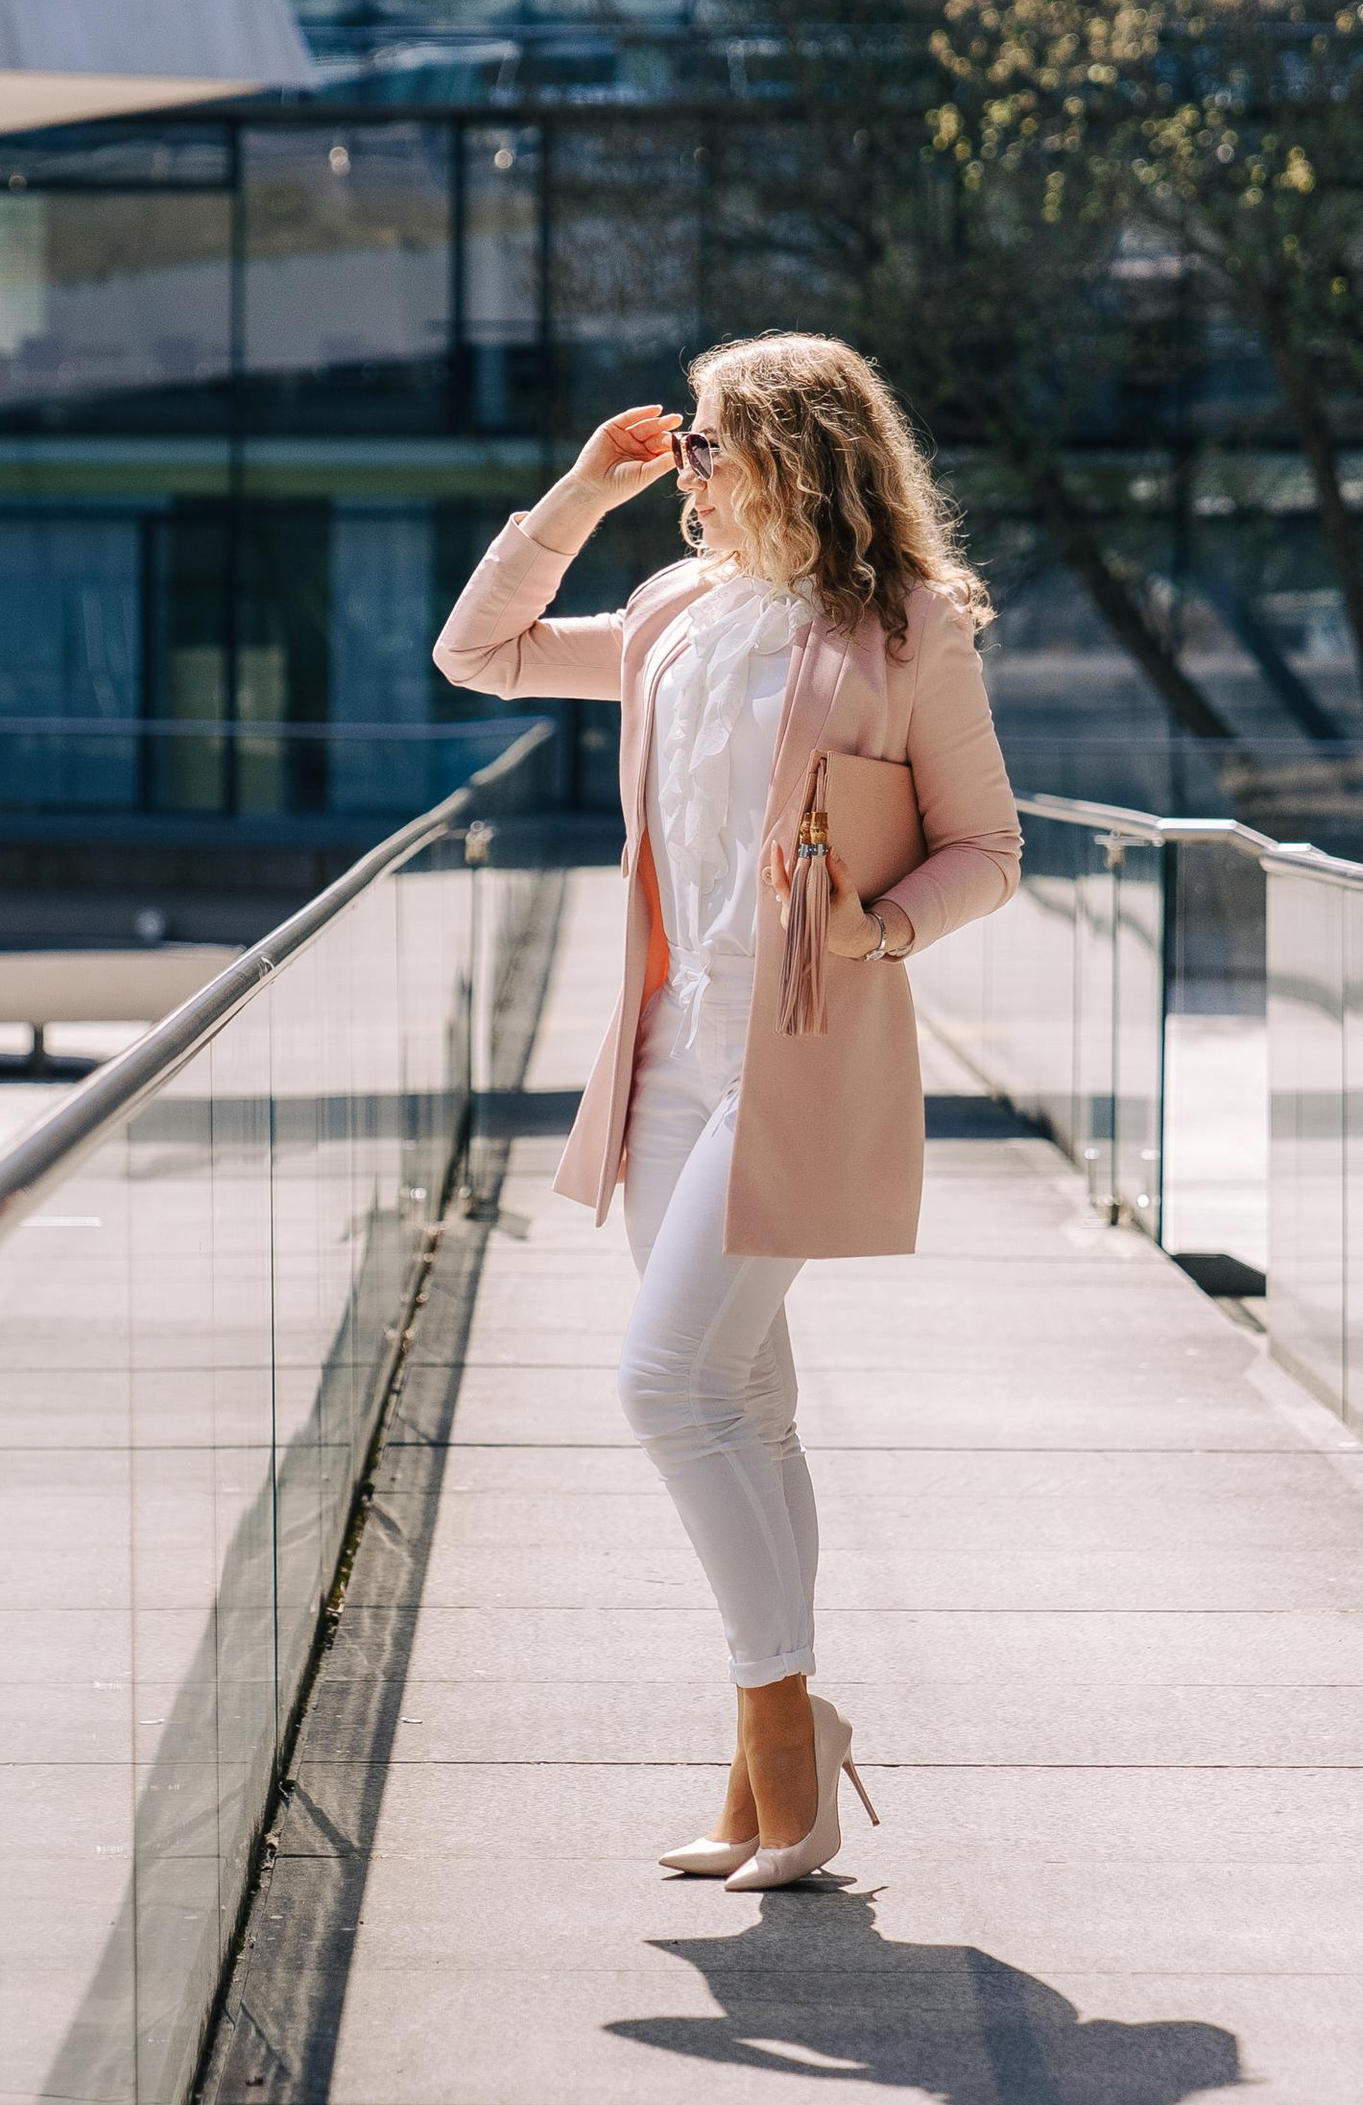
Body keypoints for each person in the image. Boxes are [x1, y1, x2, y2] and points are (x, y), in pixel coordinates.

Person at [433, 331, 1022, 1890]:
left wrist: (878, 929)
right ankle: (780, 1768)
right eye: (683, 445)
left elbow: (989, 847)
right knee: (746, 1406)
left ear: (795, 450)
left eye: (706, 442)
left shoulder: (905, 631)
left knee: (663, 1387)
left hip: (794, 1063)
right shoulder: (674, 617)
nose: (686, 465)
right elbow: (477, 655)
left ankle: (783, 1739)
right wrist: (575, 496)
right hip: (670, 1060)